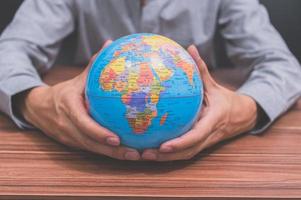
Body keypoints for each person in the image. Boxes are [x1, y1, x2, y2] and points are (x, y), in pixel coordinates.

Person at [0, 0, 300, 161]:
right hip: (85, 156)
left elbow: (283, 66)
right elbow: (9, 51)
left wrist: (242, 110)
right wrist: (33, 101)